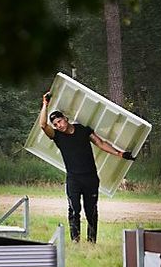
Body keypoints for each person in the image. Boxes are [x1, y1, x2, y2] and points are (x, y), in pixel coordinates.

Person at [39, 92, 135, 243]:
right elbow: (42, 125)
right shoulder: (57, 136)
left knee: (91, 212)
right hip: (73, 179)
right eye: (56, 124)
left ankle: (91, 242)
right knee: (74, 209)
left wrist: (120, 154)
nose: (59, 126)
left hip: (90, 178)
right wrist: (45, 104)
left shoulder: (83, 130)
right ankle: (75, 242)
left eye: (59, 121)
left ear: (66, 119)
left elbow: (101, 143)